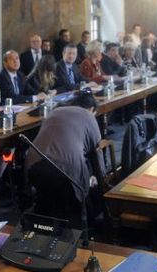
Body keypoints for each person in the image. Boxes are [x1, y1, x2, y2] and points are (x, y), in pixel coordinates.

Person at [24, 90, 104, 226]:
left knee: (48, 199)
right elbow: (96, 153)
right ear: (91, 109)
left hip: (34, 165)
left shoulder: (55, 112)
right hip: (65, 170)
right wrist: (101, 179)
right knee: (77, 202)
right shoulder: (88, 116)